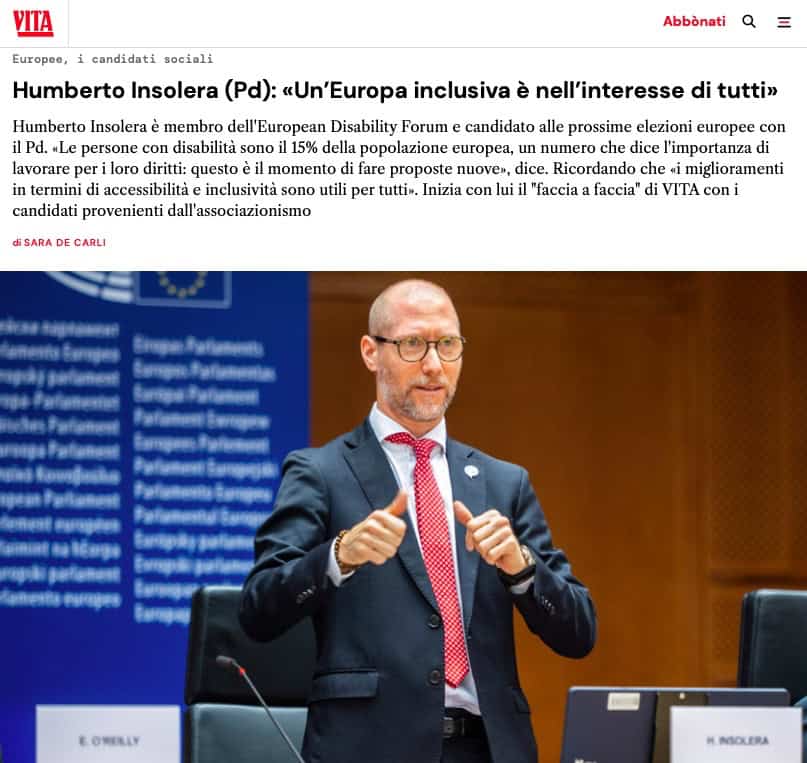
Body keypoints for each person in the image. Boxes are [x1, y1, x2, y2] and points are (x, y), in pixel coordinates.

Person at [239, 279, 596, 763]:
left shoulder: (503, 482)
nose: (433, 365)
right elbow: (259, 609)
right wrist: (339, 555)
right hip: (369, 747)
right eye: (412, 344)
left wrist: (522, 566)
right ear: (371, 352)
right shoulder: (320, 472)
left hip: (489, 748)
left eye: (447, 344)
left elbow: (579, 633)